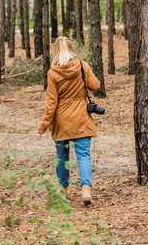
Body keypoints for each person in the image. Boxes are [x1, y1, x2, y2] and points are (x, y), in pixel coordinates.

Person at [38, 37, 101, 206]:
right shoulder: (82, 66)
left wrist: (44, 124)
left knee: (62, 157)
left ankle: (63, 190)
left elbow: (51, 103)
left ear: (56, 51)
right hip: (81, 118)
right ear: (71, 49)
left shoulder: (53, 73)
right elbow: (95, 86)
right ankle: (86, 189)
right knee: (83, 156)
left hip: (61, 121)